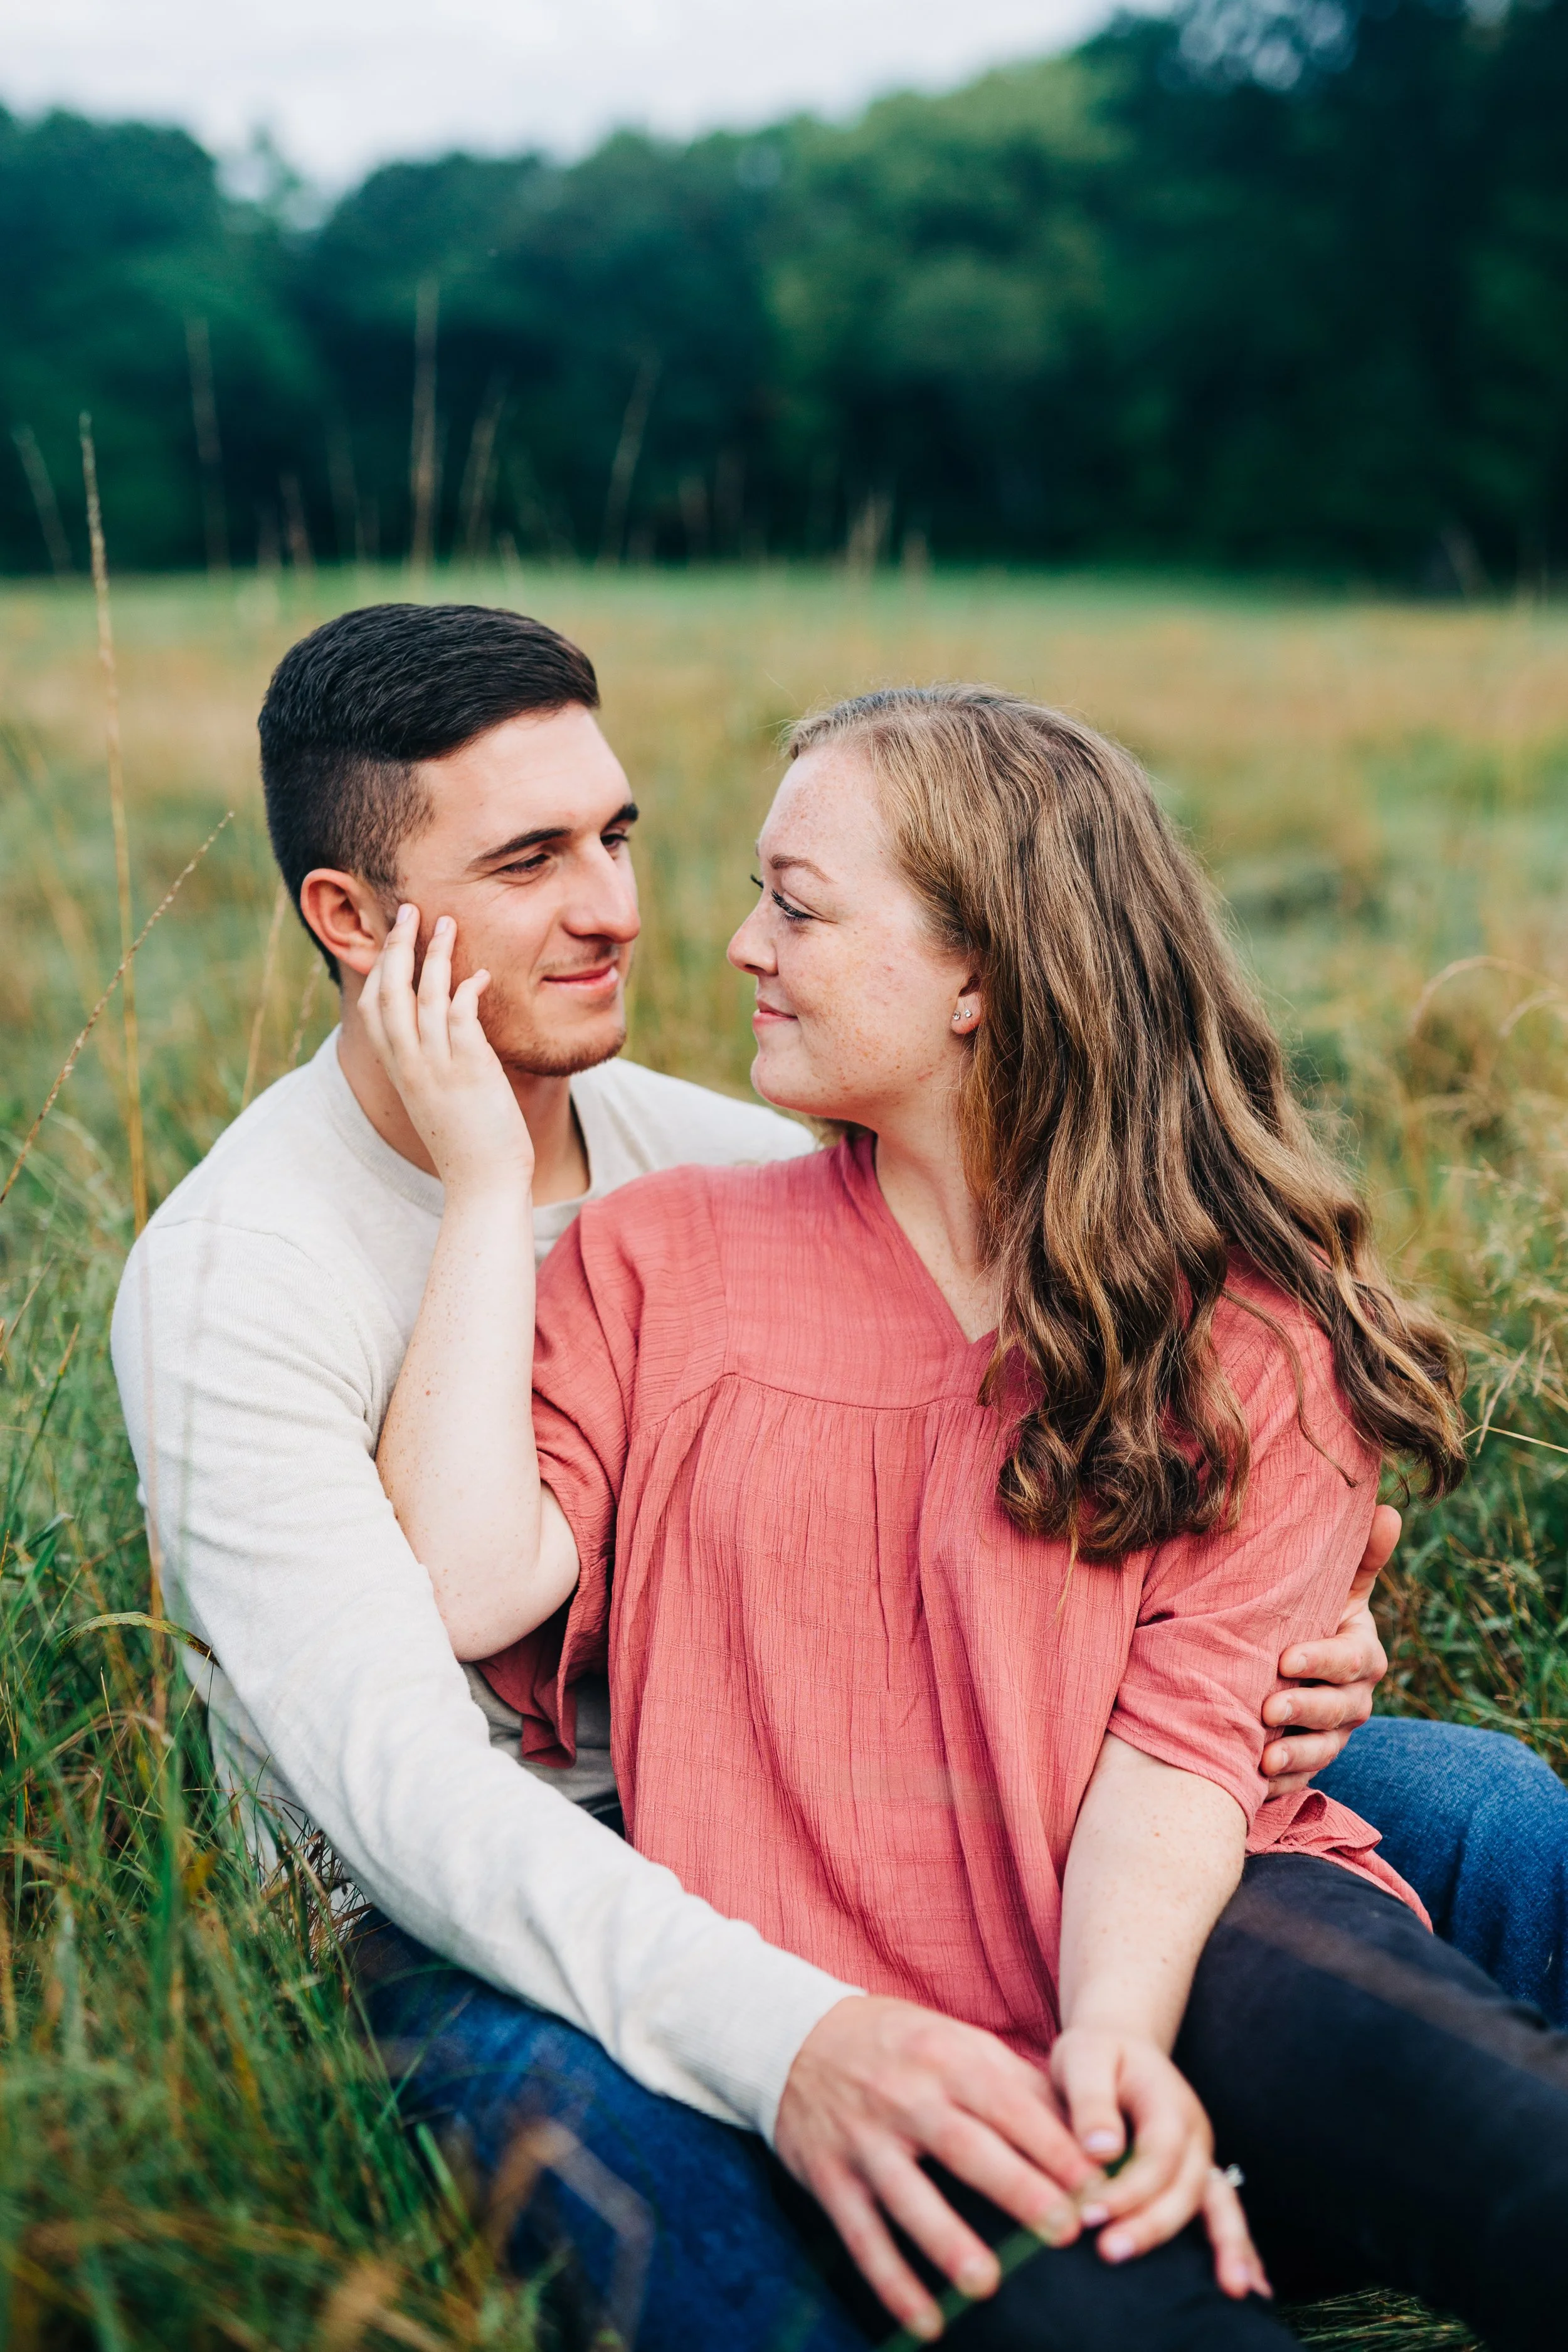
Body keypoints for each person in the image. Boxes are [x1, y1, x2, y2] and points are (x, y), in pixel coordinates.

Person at [109, 608, 1567, 2348]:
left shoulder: (746, 1153)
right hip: (500, 1866)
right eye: (527, 860)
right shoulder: (240, 1281)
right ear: (351, 921)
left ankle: (1330, 2173)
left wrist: (1259, 1643)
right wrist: (800, 2034)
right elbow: (408, 1787)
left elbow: (995, 1449)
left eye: (619, 835)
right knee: (664, 2154)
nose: (622, 912)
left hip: (896, 1753)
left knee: (1475, 1806)